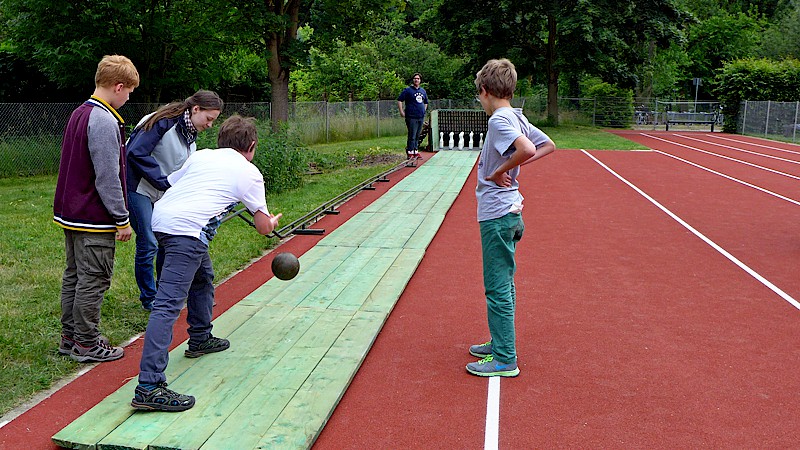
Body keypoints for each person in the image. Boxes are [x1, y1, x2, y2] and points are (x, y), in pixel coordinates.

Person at [131, 115, 282, 412]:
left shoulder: (201, 155)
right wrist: (272, 220)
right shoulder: (249, 172)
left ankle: (200, 337)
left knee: (203, 276)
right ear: (251, 146)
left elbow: (171, 182)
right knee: (167, 305)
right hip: (186, 230)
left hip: (162, 220)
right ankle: (149, 385)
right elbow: (264, 228)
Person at [466, 59, 555, 377]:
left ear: (485, 91)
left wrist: (499, 171)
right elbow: (548, 144)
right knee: (505, 282)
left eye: (479, 95)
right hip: (511, 211)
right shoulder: (517, 115)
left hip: (497, 215)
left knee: (496, 287)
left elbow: (528, 149)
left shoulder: (499, 121)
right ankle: (499, 341)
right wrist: (513, 170)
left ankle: (505, 358)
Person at [53, 55, 140, 362]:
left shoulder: (80, 112)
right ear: (119, 87)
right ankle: (87, 343)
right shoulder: (104, 120)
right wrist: (122, 219)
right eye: (129, 91)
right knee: (94, 279)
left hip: (73, 212)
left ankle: (70, 338)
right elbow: (107, 176)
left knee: (75, 276)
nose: (129, 98)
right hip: (94, 216)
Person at [126, 90, 223, 311]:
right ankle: (149, 298)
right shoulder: (164, 122)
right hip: (139, 188)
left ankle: (164, 292)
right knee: (148, 241)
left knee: (166, 240)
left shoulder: (191, 132)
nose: (210, 125)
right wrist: (163, 181)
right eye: (209, 119)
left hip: (163, 192)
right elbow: (135, 152)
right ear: (196, 109)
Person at [397, 73, 428, 159]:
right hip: (411, 116)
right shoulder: (408, 90)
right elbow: (399, 100)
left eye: (418, 79)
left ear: (420, 80)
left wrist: (423, 110)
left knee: (418, 135)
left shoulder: (423, 91)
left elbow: (425, 102)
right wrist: (401, 111)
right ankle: (410, 151)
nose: (416, 80)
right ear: (413, 80)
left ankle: (415, 150)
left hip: (420, 116)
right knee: (412, 134)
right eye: (415, 78)